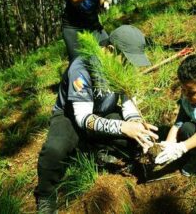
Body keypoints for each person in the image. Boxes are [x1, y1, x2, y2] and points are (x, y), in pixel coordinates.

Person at [34, 25, 158, 214]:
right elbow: (83, 118)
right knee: (54, 150)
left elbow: (127, 102)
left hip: (104, 112)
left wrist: (134, 124)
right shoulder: (81, 67)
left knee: (133, 140)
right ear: (110, 50)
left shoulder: (123, 64)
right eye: (126, 58)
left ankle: (96, 149)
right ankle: (45, 195)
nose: (128, 64)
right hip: (71, 116)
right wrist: (123, 127)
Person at [61, 0, 108, 64]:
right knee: (78, 63)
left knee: (107, 50)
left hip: (93, 25)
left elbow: (96, 2)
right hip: (73, 27)